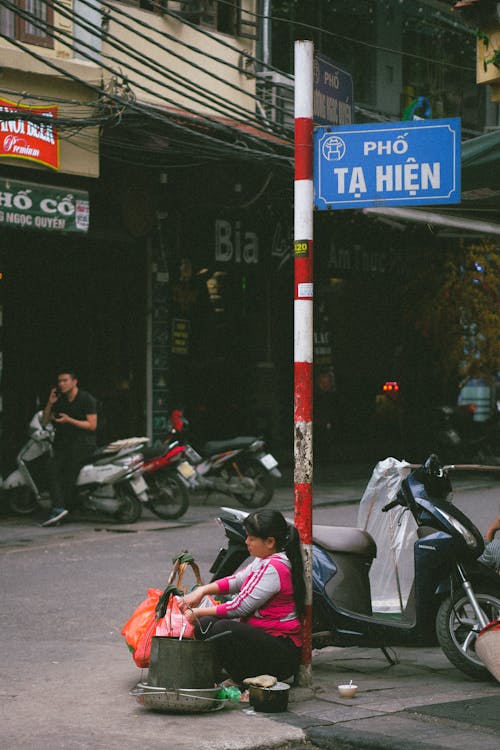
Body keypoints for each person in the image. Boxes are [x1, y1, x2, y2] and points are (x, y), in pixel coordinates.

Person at [179, 509, 305, 686]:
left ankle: (242, 678)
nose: (247, 542)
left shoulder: (275, 567)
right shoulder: (264, 559)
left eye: (251, 538)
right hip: (264, 643)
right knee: (205, 624)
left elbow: (238, 607)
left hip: (281, 655)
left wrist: (197, 611)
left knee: (222, 628)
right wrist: (202, 591)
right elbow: (237, 580)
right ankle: (221, 674)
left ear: (270, 542)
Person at [41, 370, 97, 526]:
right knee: (51, 468)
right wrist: (50, 402)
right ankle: (60, 508)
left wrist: (69, 420)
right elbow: (45, 421)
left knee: (67, 474)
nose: (61, 384)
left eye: (65, 380)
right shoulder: (60, 400)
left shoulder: (86, 399)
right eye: (59, 381)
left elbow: (92, 425)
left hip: (83, 444)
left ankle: (62, 508)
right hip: (63, 444)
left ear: (74, 382)